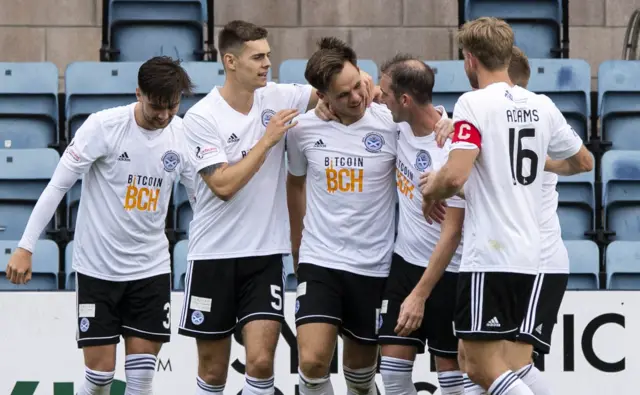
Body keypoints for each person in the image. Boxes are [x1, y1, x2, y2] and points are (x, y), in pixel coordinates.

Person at [177, 21, 374, 395]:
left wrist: (365, 84)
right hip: (213, 255)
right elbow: (222, 185)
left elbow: (338, 81)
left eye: (268, 54)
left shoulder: (279, 96)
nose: (268, 63)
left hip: (265, 253)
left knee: (262, 363)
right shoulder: (202, 117)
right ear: (231, 61)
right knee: (214, 370)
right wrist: (267, 142)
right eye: (258, 57)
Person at [419, 17, 593, 395]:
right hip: (529, 255)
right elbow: (584, 162)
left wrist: (430, 190)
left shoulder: (473, 103)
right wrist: (543, 163)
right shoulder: (542, 105)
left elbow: (455, 177)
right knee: (475, 358)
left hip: (492, 253)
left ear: (469, 60)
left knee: (482, 367)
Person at [5, 56, 196, 395]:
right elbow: (58, 186)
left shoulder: (181, 136)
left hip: (150, 270)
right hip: (98, 269)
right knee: (99, 378)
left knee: (140, 380)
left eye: (172, 106)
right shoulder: (102, 127)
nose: (164, 115)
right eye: (156, 106)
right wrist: (25, 245)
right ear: (138, 93)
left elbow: (199, 199)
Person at [286, 37, 398, 395]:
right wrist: (297, 248)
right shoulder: (303, 129)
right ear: (322, 97)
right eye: (343, 94)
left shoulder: (391, 121)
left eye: (358, 86)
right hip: (321, 260)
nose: (355, 98)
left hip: (373, 264)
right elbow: (295, 186)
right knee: (313, 361)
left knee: (360, 373)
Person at [372, 54, 465, 395]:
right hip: (405, 263)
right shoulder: (397, 125)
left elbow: (453, 232)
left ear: (405, 100)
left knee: (452, 382)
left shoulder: (454, 147)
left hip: (448, 273)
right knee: (394, 378)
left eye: (384, 93)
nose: (378, 99)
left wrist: (419, 296)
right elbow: (360, 90)